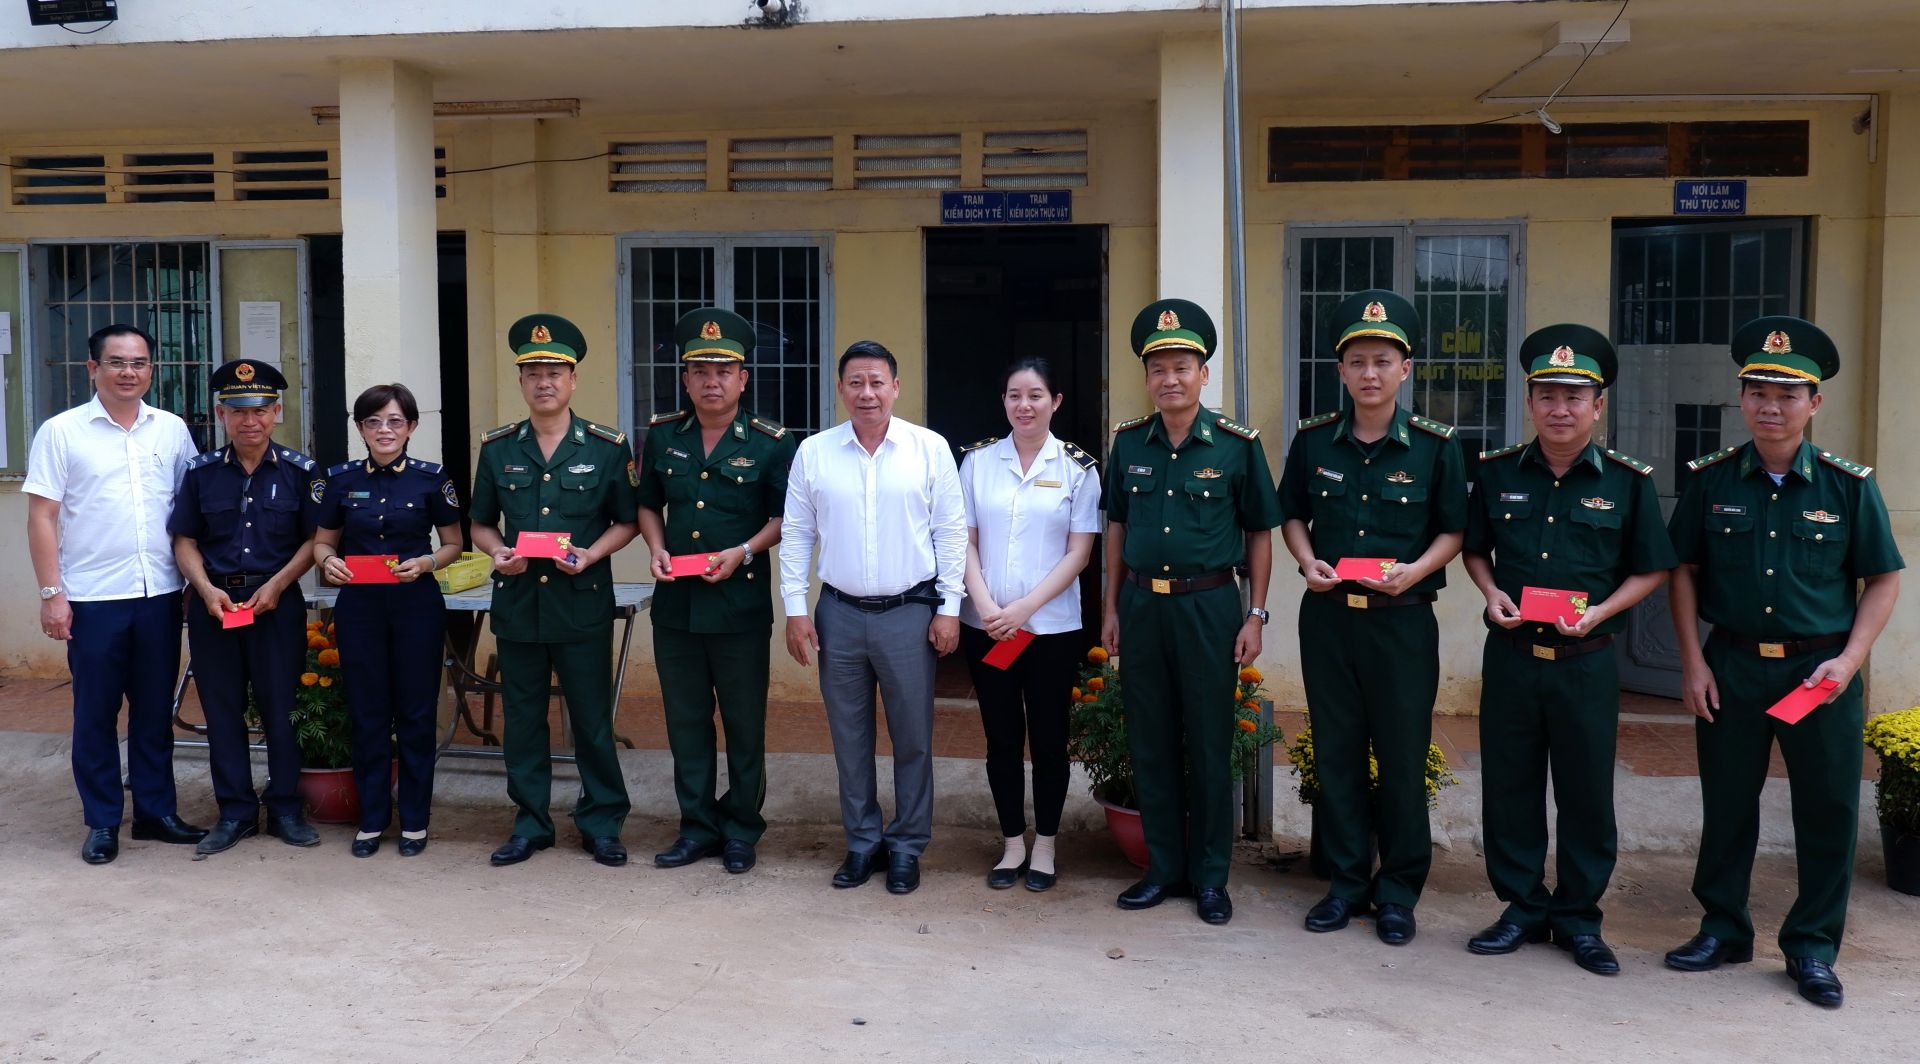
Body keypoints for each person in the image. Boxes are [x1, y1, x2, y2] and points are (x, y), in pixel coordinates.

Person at [1662, 316, 1902, 1008]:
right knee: (1727, 804)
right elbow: (1682, 571)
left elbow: (1883, 578)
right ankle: (1723, 928)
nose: (1772, 406)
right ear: (1741, 399)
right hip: (1732, 665)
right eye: (1759, 392)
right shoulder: (1711, 481)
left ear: (1814, 403)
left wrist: (1850, 661)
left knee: (1827, 810)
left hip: (1819, 674)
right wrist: (1691, 663)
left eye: (1788, 395)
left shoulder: (1846, 486)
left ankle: (1813, 946)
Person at [1461, 325, 1675, 975]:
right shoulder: (1497, 473)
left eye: (1575, 397)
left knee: (1585, 793)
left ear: (1598, 406)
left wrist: (1603, 613)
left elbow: (1652, 568)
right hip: (1512, 656)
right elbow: (1475, 549)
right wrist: (1491, 592)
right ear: (1529, 402)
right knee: (1510, 787)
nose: (1561, 408)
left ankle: (1579, 918)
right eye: (1548, 395)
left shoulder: (1629, 483)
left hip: (1587, 663)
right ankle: (1522, 908)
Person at [1278, 290, 1467, 945]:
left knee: (1402, 755)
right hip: (1330, 618)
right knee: (1337, 753)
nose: (1369, 373)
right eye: (1357, 361)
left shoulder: (1436, 447)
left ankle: (1399, 892)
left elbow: (1454, 530)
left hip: (1402, 622)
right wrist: (1306, 561)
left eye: (1383, 361)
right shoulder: (1313, 442)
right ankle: (1345, 884)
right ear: (1340, 369)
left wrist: (1415, 571)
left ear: (1405, 369)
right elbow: (1292, 514)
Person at [1101, 299, 1282, 926]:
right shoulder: (1128, 443)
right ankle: (1162, 869)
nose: (1169, 379)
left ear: (1204, 374)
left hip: (1209, 606)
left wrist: (1255, 614)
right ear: (1146, 378)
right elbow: (1117, 527)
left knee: (1208, 741)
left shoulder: (1236, 446)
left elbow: (1260, 532)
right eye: (1158, 369)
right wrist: (1110, 608)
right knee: (1150, 740)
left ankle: (1210, 877)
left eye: (1182, 367)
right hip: (1141, 606)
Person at [781, 340, 966, 895]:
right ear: (841, 389)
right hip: (838, 613)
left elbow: (951, 532)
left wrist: (950, 608)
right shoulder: (814, 452)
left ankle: (906, 845)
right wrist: (795, 609)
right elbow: (797, 534)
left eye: (877, 382)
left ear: (896, 388)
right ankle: (862, 842)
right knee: (849, 737)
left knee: (913, 738)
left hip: (909, 613)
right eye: (856, 382)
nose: (867, 393)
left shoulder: (929, 449)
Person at [24, 323, 207, 864]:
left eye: (139, 362)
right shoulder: (62, 432)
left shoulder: (170, 430)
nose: (129, 372)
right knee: (96, 714)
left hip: (159, 594)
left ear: (152, 369)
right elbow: (42, 516)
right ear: (93, 368)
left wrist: (194, 582)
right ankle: (102, 820)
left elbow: (189, 511)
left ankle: (155, 813)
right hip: (92, 598)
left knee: (153, 710)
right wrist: (52, 593)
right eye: (117, 362)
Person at [470, 313, 640, 868]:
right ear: (521, 381)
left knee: (591, 719)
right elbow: (480, 522)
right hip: (519, 604)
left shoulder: (608, 447)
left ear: (573, 380)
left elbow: (628, 521)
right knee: (522, 720)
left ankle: (602, 822)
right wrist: (497, 552)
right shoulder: (498, 448)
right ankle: (531, 823)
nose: (544, 382)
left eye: (555, 373)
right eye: (533, 373)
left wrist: (591, 554)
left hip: (580, 602)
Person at [636, 308, 795, 874]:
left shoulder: (773, 443)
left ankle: (742, 829)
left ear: (743, 379)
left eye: (724, 371)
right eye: (700, 371)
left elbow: (785, 518)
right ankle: (697, 827)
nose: (712, 381)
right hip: (676, 607)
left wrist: (743, 551)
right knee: (686, 722)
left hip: (739, 606)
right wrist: (656, 548)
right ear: (685, 379)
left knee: (744, 724)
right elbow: (647, 503)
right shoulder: (662, 436)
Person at [171, 358, 326, 856]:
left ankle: (284, 808)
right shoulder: (201, 473)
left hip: (275, 604)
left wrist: (278, 584)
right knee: (222, 711)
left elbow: (316, 539)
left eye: (260, 409)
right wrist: (204, 588)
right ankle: (235, 812)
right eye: (238, 411)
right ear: (221, 414)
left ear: (276, 412)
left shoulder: (301, 471)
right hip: (215, 605)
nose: (249, 420)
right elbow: (184, 539)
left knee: (282, 709)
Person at [958, 357, 1101, 892]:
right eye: (1014, 395)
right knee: (1000, 737)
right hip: (987, 625)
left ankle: (1045, 845)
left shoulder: (1079, 469)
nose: (1025, 405)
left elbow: (1079, 553)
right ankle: (1012, 842)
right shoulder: (977, 463)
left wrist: (1023, 609)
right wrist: (986, 605)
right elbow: (963, 540)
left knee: (1049, 738)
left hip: (1051, 630)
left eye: (1036, 395)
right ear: (1003, 401)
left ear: (1055, 402)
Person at [311, 384, 464, 858]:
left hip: (416, 605)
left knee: (416, 714)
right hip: (360, 608)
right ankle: (372, 819)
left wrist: (428, 563)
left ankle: (415, 820)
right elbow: (323, 541)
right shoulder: (339, 479)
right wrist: (328, 561)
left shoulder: (431, 478)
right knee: (368, 714)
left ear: (411, 427)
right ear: (360, 428)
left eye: (395, 421)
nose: (384, 430)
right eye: (373, 421)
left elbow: (454, 543)